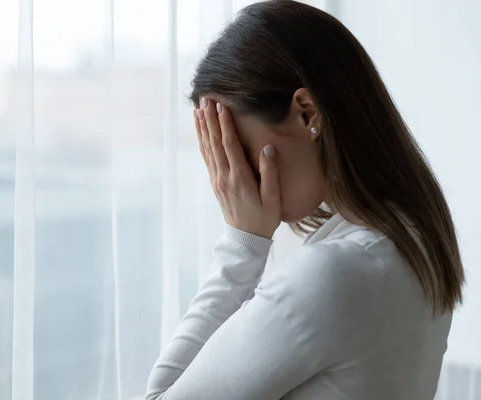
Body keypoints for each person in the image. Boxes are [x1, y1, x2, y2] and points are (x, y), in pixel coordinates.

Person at [145, 1, 465, 399]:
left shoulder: (332, 275)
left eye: (238, 150)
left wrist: (242, 246)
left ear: (307, 112)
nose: (233, 178)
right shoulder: (413, 236)